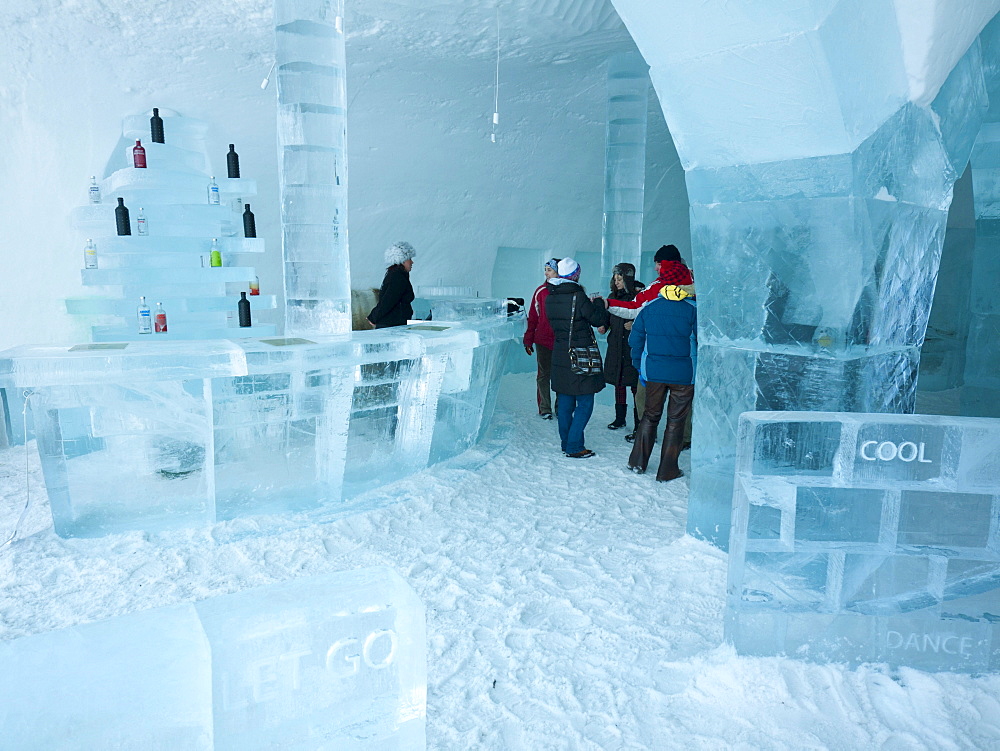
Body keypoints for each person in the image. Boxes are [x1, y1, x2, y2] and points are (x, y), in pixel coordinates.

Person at [626, 284, 697, 481]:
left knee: (650, 415)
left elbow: (635, 339)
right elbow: (703, 342)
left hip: (654, 372)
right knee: (675, 421)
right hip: (684, 374)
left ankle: (637, 462)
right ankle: (667, 470)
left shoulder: (650, 307)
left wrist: (639, 365)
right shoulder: (693, 310)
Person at [545, 257, 609, 458]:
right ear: (575, 275)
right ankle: (574, 445)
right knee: (585, 402)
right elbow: (596, 319)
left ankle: (566, 442)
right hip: (580, 355)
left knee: (564, 402)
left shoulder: (550, 296)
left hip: (560, 353)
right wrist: (598, 303)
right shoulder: (578, 296)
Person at [599, 263, 644, 430]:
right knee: (619, 383)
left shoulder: (639, 295)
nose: (617, 282)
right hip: (616, 346)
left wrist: (635, 324)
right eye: (615, 279)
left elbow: (646, 315)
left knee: (635, 386)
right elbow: (608, 316)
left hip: (632, 348)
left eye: (620, 279)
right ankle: (620, 418)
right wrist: (604, 325)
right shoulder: (613, 296)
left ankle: (639, 423)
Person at [524, 259, 560, 420]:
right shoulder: (541, 292)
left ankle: (561, 407)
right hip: (543, 340)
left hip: (561, 341)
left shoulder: (568, 291)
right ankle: (545, 408)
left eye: (549, 270)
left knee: (561, 375)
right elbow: (533, 317)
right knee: (544, 375)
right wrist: (528, 339)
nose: (546, 273)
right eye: (545, 270)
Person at [367, 241, 416, 328]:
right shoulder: (397, 277)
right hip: (391, 326)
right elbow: (388, 301)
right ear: (402, 260)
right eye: (410, 259)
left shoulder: (399, 275)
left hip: (394, 324)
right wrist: (373, 317)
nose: (412, 262)